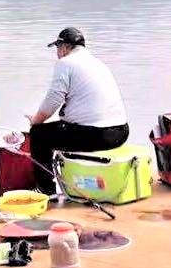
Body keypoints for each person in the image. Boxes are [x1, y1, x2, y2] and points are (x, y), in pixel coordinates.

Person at [26, 27, 129, 195]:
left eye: (57, 48)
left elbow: (54, 99)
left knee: (39, 134)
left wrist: (36, 120)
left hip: (98, 135)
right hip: (120, 133)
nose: (57, 53)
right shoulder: (99, 64)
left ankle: (46, 191)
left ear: (65, 47)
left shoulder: (66, 63)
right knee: (61, 130)